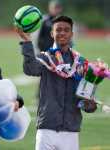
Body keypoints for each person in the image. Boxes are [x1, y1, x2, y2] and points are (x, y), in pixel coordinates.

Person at [16, 15, 97, 150]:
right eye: (58, 30)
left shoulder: (81, 63)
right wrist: (26, 42)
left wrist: (90, 104)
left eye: (66, 30)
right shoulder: (45, 58)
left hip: (71, 130)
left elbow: (87, 102)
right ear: (51, 33)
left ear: (72, 34)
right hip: (47, 129)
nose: (62, 33)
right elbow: (30, 69)